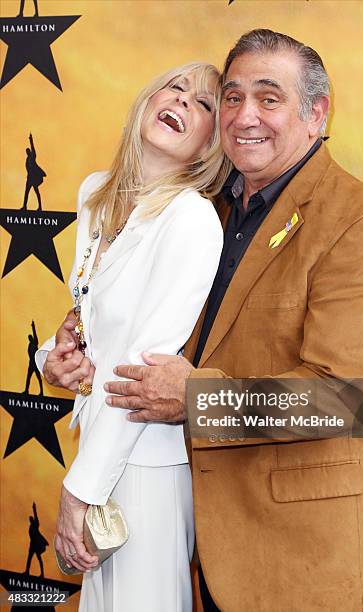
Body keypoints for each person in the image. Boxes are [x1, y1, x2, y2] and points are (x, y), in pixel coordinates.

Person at [55, 30, 363, 611]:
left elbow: (342, 397)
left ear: (316, 114)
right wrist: (83, 337)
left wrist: (195, 399)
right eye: (233, 98)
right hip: (218, 546)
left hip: (318, 558)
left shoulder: (360, 221)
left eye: (269, 98)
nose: (246, 116)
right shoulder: (203, 206)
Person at [36, 61, 231, 612]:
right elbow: (88, 316)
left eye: (204, 105)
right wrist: (55, 355)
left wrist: (80, 489)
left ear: (208, 147)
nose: (184, 102)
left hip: (145, 469)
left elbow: (143, 372)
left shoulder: (192, 221)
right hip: (94, 451)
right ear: (148, 98)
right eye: (176, 88)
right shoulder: (96, 194)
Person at [22, 133, 46, 211]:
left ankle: (40, 207)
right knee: (26, 193)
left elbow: (33, 147)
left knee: (37, 193)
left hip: (34, 178)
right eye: (26, 151)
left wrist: (31, 139)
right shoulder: (27, 160)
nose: (27, 152)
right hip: (29, 178)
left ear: (30, 152)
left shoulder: (33, 156)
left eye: (28, 151)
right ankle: (24, 206)